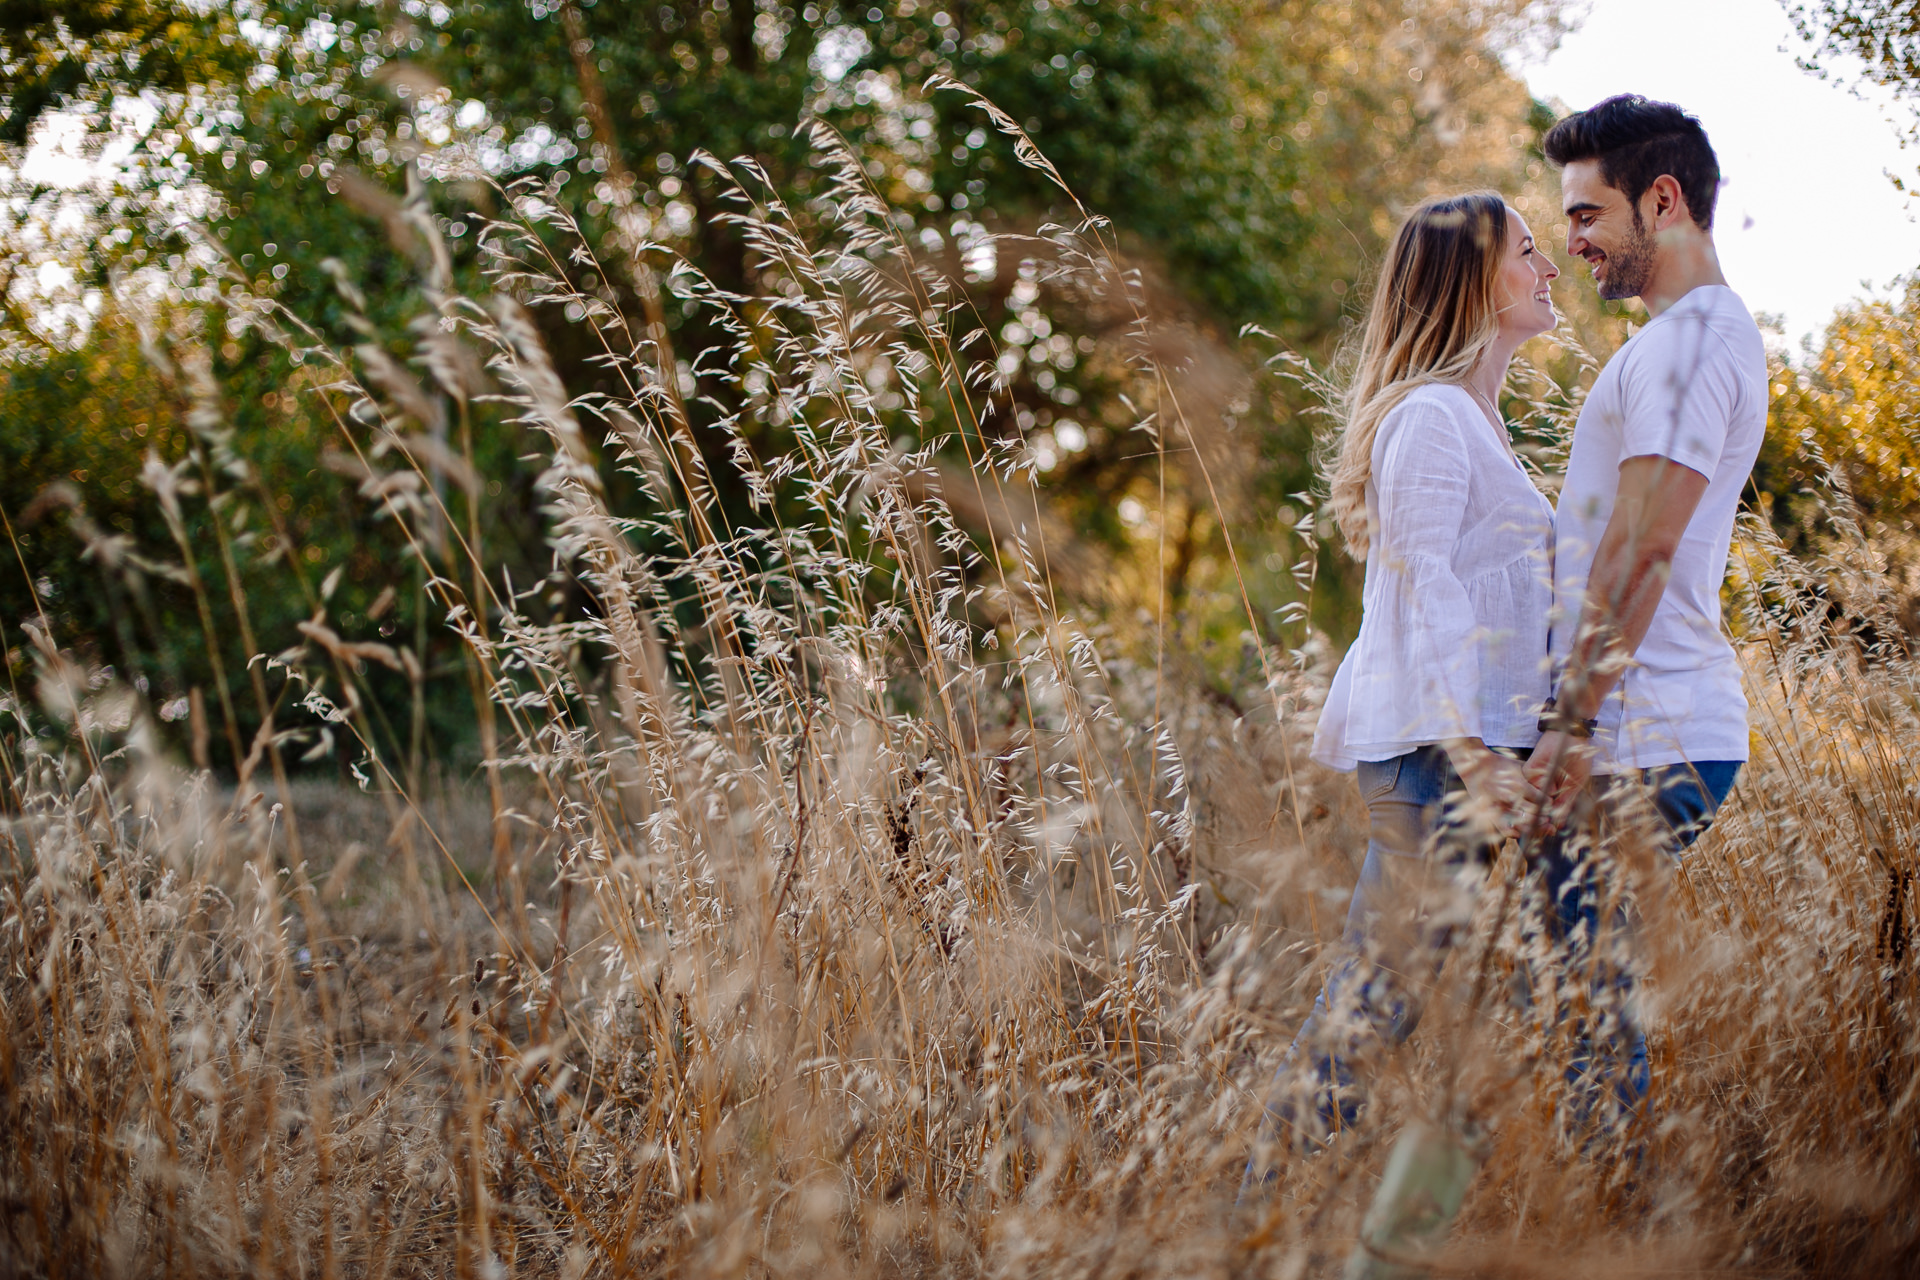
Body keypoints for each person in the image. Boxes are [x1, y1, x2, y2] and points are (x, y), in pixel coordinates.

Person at [1245, 190, 1560, 1169]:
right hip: (1436, 758)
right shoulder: (1429, 416)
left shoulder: (1474, 418)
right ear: (1471, 279)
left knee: (1391, 999)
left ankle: (1278, 1203)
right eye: (1528, 250)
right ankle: (1253, 1214)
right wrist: (1474, 753)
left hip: (1459, 756)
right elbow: (1423, 585)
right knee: (1375, 1002)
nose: (1547, 268)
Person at [1525, 94, 1768, 1138]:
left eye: (1587, 215)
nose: (1572, 242)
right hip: (1638, 725)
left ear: (1660, 200)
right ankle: (1608, 1199)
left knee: (1590, 1014)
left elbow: (1642, 544)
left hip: (1637, 732)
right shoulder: (1692, 340)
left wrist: (1572, 722)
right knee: (1588, 1001)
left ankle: (1614, 1214)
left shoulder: (1688, 344)